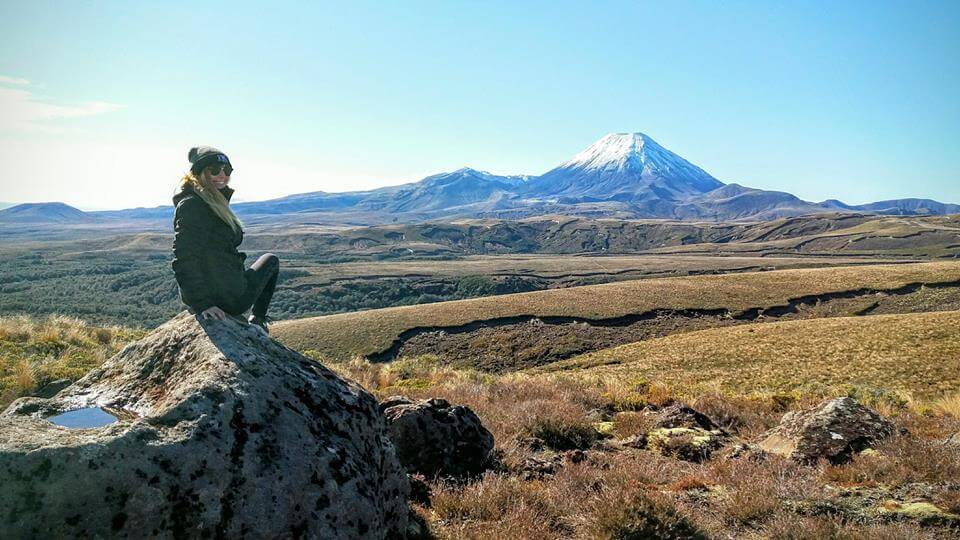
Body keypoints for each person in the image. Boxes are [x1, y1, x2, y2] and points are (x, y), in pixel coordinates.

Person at [171, 146, 279, 334]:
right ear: (200, 172)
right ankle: (258, 321)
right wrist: (203, 304)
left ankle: (257, 321)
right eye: (214, 170)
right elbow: (183, 258)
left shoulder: (210, 201)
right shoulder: (193, 206)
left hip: (225, 289)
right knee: (271, 260)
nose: (222, 175)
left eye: (226, 170)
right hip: (230, 297)